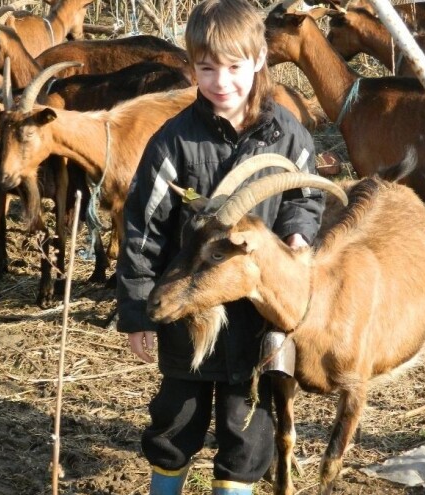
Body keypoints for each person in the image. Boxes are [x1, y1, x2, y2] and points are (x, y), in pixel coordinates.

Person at [115, 0, 326, 493]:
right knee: (175, 417)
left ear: (258, 62)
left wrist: (297, 233)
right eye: (206, 69)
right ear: (191, 69)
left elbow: (305, 198)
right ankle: (164, 485)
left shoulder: (288, 136)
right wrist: (137, 314)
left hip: (257, 313)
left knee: (247, 426)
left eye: (234, 67)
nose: (221, 81)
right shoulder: (174, 141)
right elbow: (143, 230)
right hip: (188, 309)